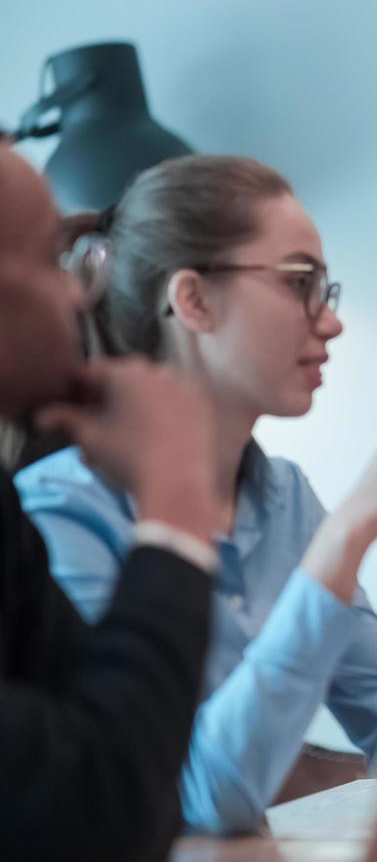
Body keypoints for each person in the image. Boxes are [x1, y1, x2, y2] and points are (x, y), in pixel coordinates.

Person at [16, 155, 377, 835]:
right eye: (299, 283)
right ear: (193, 300)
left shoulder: (285, 499)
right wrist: (345, 540)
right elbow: (200, 798)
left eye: (325, 290)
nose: (330, 321)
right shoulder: (59, 513)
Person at [0, 141, 220, 860]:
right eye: (45, 260)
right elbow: (99, 818)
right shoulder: (56, 499)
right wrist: (178, 495)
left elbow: (138, 781)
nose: (74, 294)